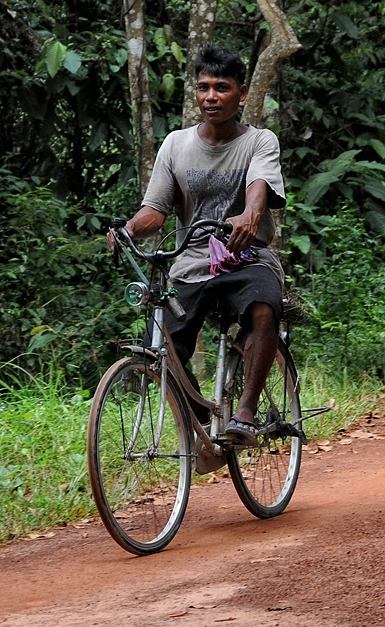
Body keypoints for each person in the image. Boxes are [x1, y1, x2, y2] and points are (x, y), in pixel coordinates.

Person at [110, 43, 287, 447]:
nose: (211, 97)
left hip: (246, 256)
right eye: (204, 87)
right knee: (163, 344)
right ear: (195, 92)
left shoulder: (259, 141)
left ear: (241, 94)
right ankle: (204, 419)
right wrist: (130, 229)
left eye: (222, 88)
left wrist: (249, 215)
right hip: (191, 261)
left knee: (263, 308)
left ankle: (244, 413)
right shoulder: (175, 144)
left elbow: (258, 190)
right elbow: (154, 210)